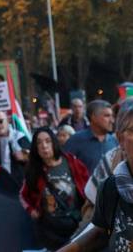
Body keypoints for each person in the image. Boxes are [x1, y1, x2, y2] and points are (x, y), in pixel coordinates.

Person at [55, 103, 133, 251]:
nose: (110, 120)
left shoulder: (110, 142)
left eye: (111, 116)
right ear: (120, 139)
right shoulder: (111, 186)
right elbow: (100, 232)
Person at [20, 127, 89, 250]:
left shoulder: (71, 161)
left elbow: (87, 184)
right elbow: (23, 195)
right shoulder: (33, 170)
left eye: (48, 141)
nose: (44, 146)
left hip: (76, 224)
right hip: (50, 232)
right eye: (39, 143)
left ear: (54, 142)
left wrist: (88, 208)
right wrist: (31, 210)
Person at [65, 101, 117, 174]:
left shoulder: (115, 142)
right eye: (107, 116)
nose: (112, 121)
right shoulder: (75, 141)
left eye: (112, 116)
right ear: (93, 117)